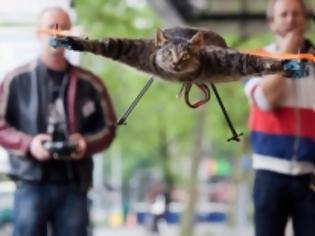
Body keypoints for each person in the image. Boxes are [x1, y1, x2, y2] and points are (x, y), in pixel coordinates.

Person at [0, 7, 117, 236]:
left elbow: (109, 128)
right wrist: (29, 144)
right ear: (38, 33)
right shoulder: (15, 81)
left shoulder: (90, 83)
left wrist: (85, 144)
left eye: (64, 28)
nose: (57, 34)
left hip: (74, 183)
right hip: (30, 181)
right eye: (52, 27)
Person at [244, 0, 315, 236]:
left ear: (305, 20)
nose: (290, 19)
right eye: (283, 14)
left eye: (296, 13)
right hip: (269, 172)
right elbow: (265, 99)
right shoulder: (255, 60)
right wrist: (289, 51)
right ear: (271, 23)